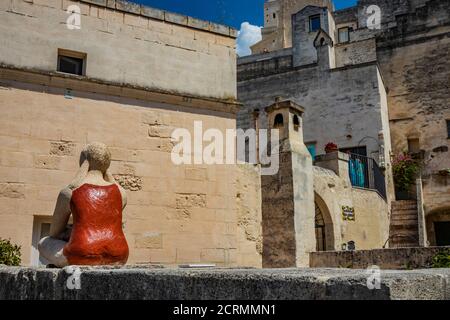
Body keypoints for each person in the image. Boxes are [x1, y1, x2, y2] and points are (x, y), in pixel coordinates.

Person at [38, 142, 129, 267]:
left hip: (81, 255)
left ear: (84, 160)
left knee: (43, 242)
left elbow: (54, 232)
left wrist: (69, 232)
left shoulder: (69, 192)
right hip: (119, 256)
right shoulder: (121, 193)